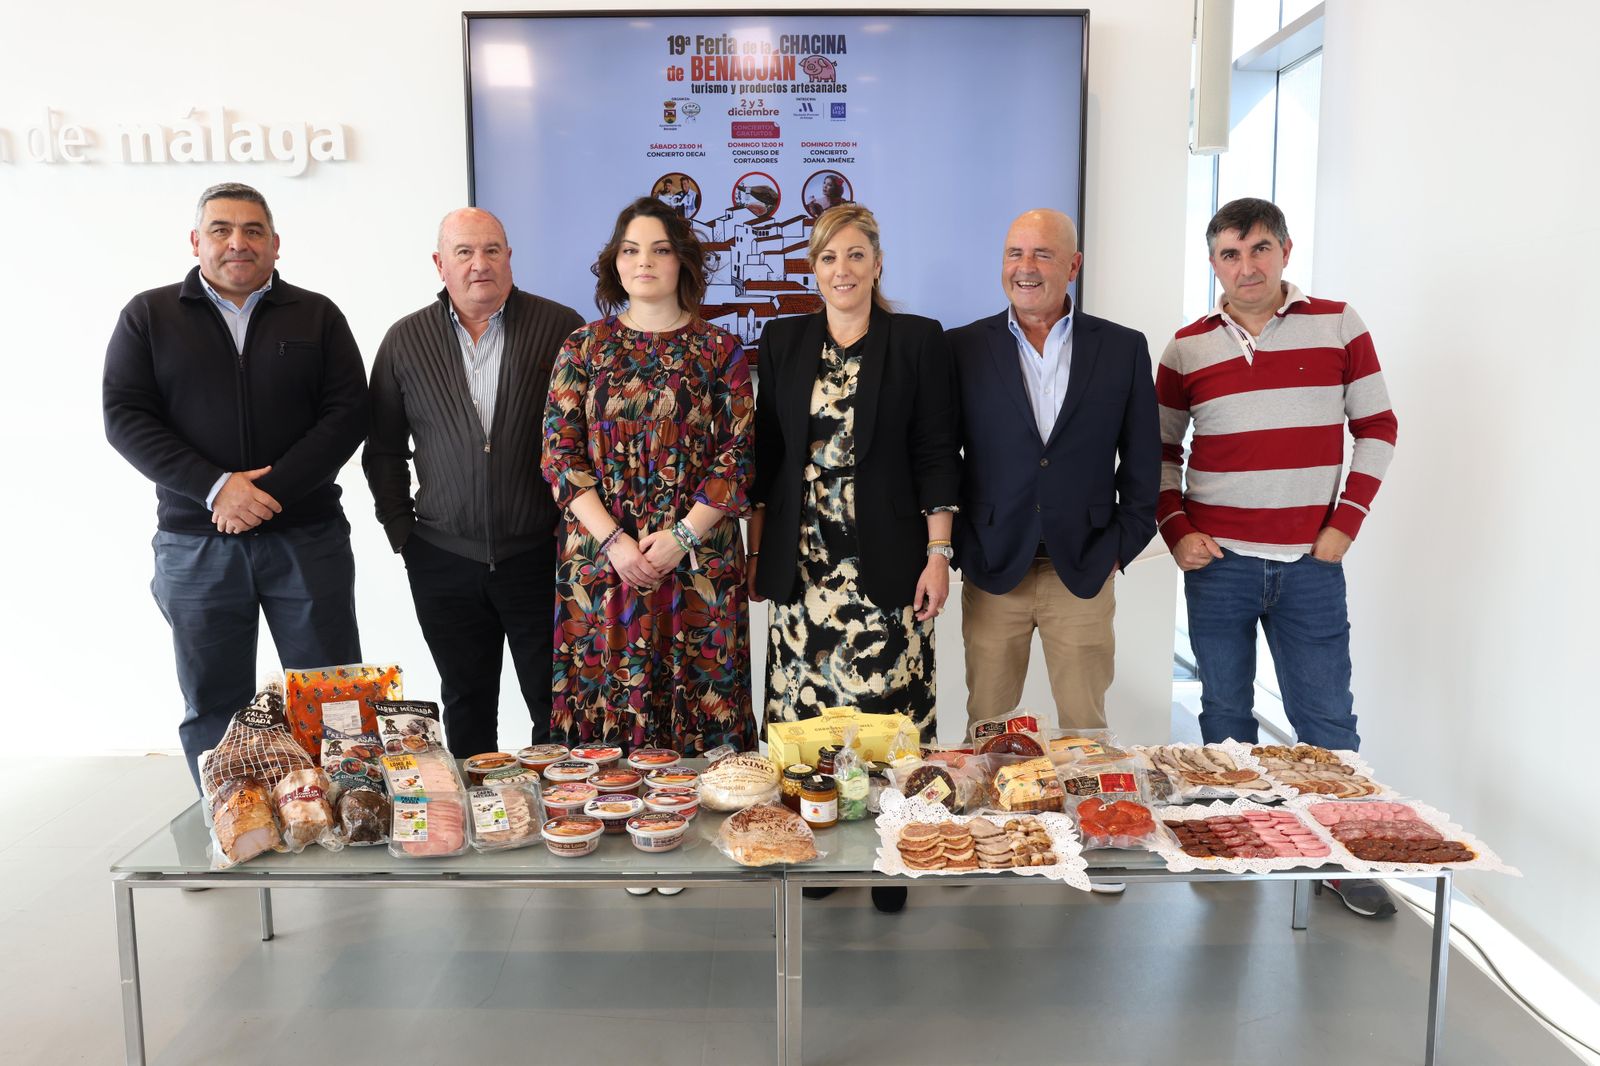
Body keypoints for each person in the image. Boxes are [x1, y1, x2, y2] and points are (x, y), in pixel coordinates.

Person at [1156, 196, 1398, 918]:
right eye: (1230, 254)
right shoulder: (1186, 348)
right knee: (1224, 713)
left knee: (1327, 721)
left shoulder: (1339, 325)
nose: (1247, 266)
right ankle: (1237, 842)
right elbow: (1158, 453)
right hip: (1219, 564)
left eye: (1260, 248)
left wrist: (1345, 524)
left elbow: (1379, 426)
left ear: (1285, 251)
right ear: (1213, 263)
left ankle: (1341, 858)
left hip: (1311, 566)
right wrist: (1177, 530)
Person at [103, 182, 369, 792]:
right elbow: (125, 417)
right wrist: (216, 488)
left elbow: (347, 414)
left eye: (253, 231)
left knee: (331, 695)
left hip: (306, 537)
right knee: (214, 701)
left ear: (275, 244)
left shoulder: (318, 315)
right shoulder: (149, 316)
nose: (237, 243)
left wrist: (266, 495)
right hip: (196, 542)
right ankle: (230, 823)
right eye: (220, 230)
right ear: (195, 241)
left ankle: (344, 817)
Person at [750, 203, 960, 913]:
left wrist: (938, 554)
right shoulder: (783, 340)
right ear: (813, 268)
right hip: (804, 572)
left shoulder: (918, 340)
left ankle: (895, 853)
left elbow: (937, 454)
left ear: (877, 263)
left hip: (889, 570)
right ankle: (818, 843)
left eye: (855, 255)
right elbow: (768, 458)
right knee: (809, 724)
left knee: (890, 723)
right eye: (828, 257)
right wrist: (757, 552)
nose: (842, 270)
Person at [363, 208, 583, 757]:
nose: (479, 263)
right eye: (463, 252)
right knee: (465, 702)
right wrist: (402, 534)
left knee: (555, 704)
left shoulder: (562, 328)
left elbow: (588, 442)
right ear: (440, 264)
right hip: (443, 558)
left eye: (491, 250)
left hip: (541, 555)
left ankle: (557, 806)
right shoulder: (405, 340)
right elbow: (384, 449)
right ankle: (478, 806)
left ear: (509, 258)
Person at [541, 195, 755, 757]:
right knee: (606, 727)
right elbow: (560, 456)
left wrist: (682, 537)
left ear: (682, 260)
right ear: (615, 263)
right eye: (631, 250)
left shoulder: (721, 350)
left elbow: (737, 458)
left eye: (660, 250)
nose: (644, 261)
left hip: (699, 560)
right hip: (602, 561)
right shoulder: (583, 347)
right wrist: (615, 542)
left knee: (703, 713)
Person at [948, 208, 1160, 736]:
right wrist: (961, 544)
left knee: (1086, 732)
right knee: (988, 731)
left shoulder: (1122, 348)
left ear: (1074, 265)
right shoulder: (962, 348)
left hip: (1085, 566)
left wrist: (1119, 548)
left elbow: (1142, 461)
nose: (1026, 267)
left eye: (1042, 254)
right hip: (994, 567)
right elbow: (940, 455)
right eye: (1014, 253)